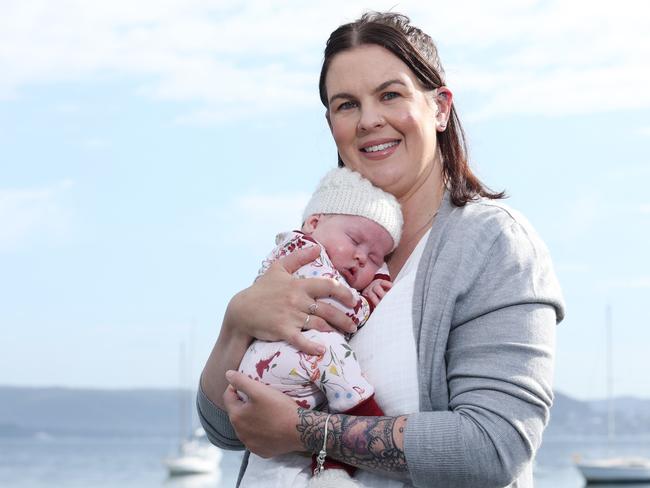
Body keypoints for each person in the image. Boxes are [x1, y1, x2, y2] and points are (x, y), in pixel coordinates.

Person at [197, 11, 565, 488]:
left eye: (390, 95)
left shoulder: (493, 244)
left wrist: (303, 432)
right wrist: (236, 321)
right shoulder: (320, 243)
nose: (369, 120)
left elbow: (493, 448)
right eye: (346, 105)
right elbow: (225, 428)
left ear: (439, 107)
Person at [237, 167, 402, 486]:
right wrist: (370, 294)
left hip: (267, 371)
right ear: (314, 223)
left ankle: (327, 464)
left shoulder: (289, 252)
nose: (360, 259)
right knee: (333, 349)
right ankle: (365, 421)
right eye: (354, 241)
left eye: (373, 258)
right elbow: (341, 310)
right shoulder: (307, 256)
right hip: (288, 360)